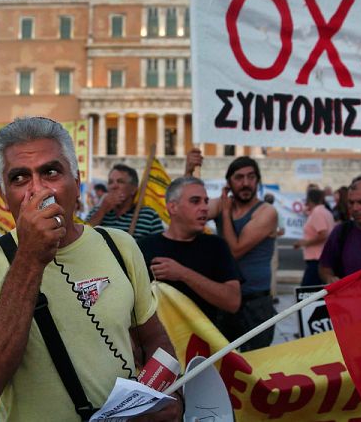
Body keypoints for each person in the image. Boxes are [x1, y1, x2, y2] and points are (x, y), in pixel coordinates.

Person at [0, 117, 179, 421]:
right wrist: (29, 258)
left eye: (51, 172)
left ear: (77, 184)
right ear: (4, 198)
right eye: (19, 178)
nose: (38, 190)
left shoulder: (119, 245)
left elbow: (154, 339)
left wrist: (170, 396)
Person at [185, 149, 279, 351]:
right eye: (239, 178)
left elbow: (234, 252)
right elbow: (187, 211)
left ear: (258, 181)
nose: (246, 183)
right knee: (223, 368)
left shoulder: (267, 212)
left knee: (256, 368)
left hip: (255, 305)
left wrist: (225, 214)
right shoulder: (221, 205)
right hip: (224, 301)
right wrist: (188, 171)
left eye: (251, 177)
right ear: (229, 183)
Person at [138, 177, 241, 330]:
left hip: (205, 348)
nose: (205, 207)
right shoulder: (143, 247)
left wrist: (182, 274)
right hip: (158, 348)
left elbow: (233, 302)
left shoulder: (217, 246)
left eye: (206, 201)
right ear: (173, 207)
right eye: (195, 201)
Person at [87, 164, 164, 240]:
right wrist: (102, 210)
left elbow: (159, 248)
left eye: (120, 182)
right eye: (110, 182)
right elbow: (83, 238)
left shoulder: (149, 216)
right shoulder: (96, 211)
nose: (114, 186)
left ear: (133, 189)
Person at [294, 188, 335, 286]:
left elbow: (323, 234)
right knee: (315, 293)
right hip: (322, 257)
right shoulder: (325, 211)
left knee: (306, 294)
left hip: (316, 259)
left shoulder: (317, 212)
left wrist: (305, 243)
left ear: (309, 199)